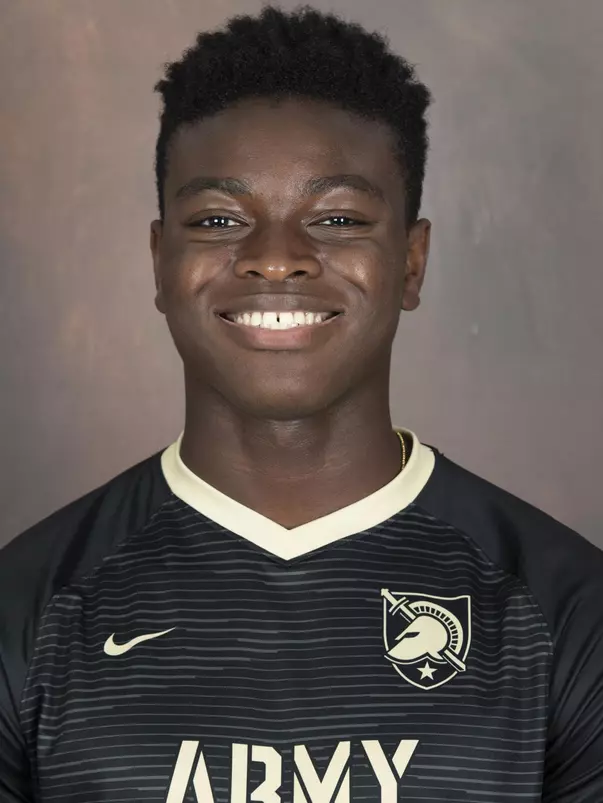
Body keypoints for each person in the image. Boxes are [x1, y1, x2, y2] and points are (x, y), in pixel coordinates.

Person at [1, 4, 602, 802]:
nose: (275, 258)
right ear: (159, 260)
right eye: (219, 219)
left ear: (411, 263)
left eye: (336, 219)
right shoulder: (30, 607)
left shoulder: (563, 612)